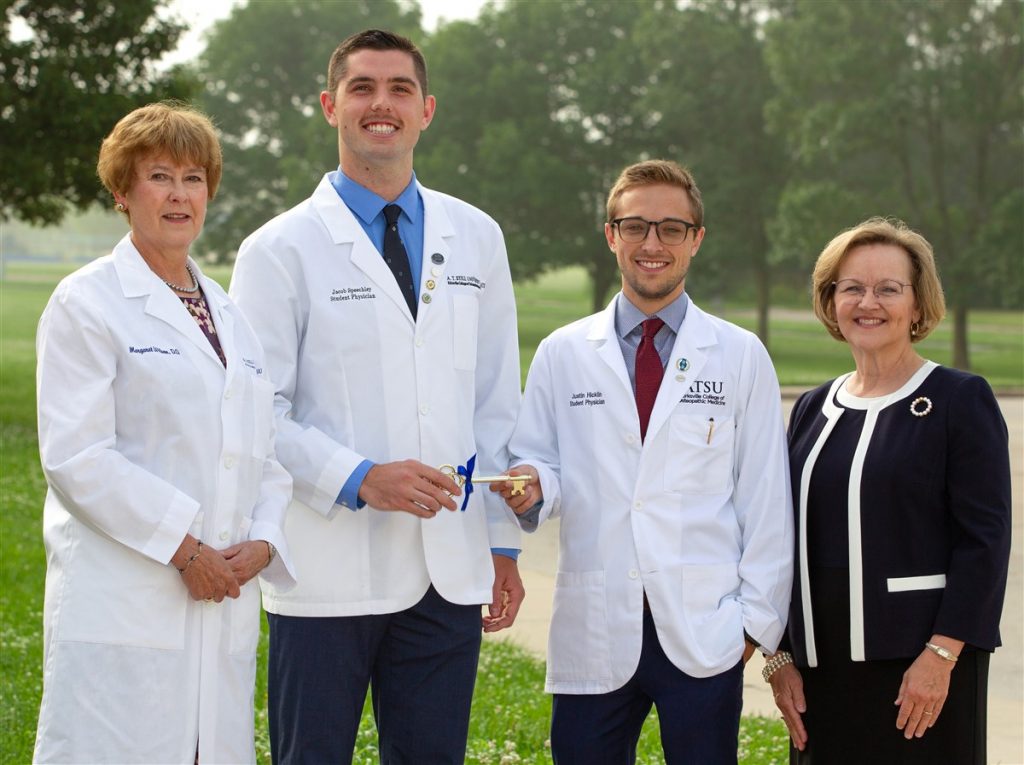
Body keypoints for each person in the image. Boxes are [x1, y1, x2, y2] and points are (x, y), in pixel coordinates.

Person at [229, 29, 525, 764]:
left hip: (447, 572)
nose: (380, 104)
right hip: (328, 569)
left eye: (398, 89)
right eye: (362, 88)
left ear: (427, 110)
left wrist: (502, 544)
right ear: (332, 106)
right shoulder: (278, 250)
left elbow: (496, 400)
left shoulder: (477, 237)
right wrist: (361, 477)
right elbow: (257, 410)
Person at [492, 159, 794, 764]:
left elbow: (764, 496)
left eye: (671, 228)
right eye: (635, 226)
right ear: (611, 235)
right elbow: (539, 462)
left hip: (704, 628)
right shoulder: (563, 353)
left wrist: (751, 626)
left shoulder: (739, 355)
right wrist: (531, 485)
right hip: (596, 624)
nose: (652, 244)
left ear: (696, 239)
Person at [32, 102, 295, 764]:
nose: (180, 194)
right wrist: (185, 548)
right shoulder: (87, 302)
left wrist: (263, 542)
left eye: (194, 177)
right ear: (123, 192)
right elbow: (77, 457)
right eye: (159, 176)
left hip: (223, 599)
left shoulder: (231, 317)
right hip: (129, 599)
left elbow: (263, 454)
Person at [765, 217, 1012, 764]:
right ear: (830, 303)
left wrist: (942, 654)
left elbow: (985, 541)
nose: (867, 302)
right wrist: (779, 657)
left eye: (888, 289)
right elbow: (780, 537)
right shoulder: (812, 408)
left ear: (918, 305)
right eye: (850, 287)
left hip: (921, 670)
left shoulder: (958, 400)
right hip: (818, 675)